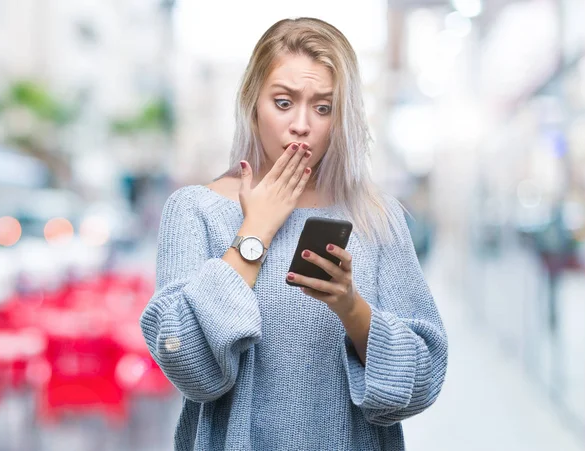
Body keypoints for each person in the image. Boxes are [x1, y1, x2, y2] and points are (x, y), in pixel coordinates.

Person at [140, 17, 448, 451]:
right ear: (253, 104)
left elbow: (423, 376)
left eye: (323, 107)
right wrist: (255, 233)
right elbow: (187, 364)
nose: (301, 125)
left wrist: (351, 306)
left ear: (341, 118)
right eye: (283, 102)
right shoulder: (196, 210)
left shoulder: (377, 217)